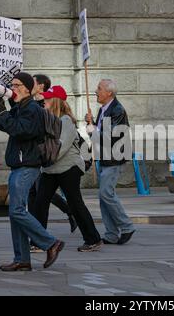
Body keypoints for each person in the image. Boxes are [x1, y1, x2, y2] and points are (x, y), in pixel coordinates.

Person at [0, 72, 64, 271]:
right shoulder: (20, 107)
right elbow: (0, 124)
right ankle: (22, 259)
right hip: (19, 165)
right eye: (12, 85)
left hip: (27, 166)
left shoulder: (31, 108)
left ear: (27, 87)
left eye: (16, 85)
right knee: (16, 213)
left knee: (16, 211)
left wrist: (5, 113)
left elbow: (20, 130)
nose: (12, 88)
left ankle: (51, 243)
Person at [32, 85, 103, 252]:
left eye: (48, 99)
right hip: (50, 169)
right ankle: (39, 241)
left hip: (68, 168)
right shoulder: (47, 119)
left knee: (75, 203)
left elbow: (60, 147)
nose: (44, 101)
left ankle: (93, 239)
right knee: (40, 203)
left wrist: (40, 156)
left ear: (55, 101)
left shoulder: (66, 121)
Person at [27, 74, 77, 252]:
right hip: (43, 161)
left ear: (40, 86)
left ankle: (42, 238)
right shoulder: (40, 106)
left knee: (42, 198)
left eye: (33, 83)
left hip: (55, 164)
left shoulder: (60, 117)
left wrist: (45, 155)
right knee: (36, 198)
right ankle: (39, 237)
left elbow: (60, 145)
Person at [85, 79, 135, 245]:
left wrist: (92, 130)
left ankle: (126, 226)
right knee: (103, 196)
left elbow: (112, 136)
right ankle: (111, 234)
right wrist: (91, 123)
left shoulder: (117, 110)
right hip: (105, 157)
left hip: (115, 157)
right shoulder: (104, 109)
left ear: (109, 93)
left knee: (106, 193)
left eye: (99, 88)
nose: (96, 91)